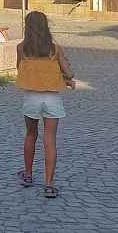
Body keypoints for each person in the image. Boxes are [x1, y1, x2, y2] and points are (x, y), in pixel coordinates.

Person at [15, 11, 77, 199]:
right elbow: (70, 74)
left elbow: (21, 70)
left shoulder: (21, 49)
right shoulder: (55, 50)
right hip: (52, 99)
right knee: (50, 140)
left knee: (31, 134)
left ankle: (27, 174)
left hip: (31, 97)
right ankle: (49, 185)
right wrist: (63, 76)